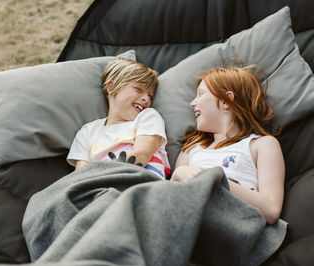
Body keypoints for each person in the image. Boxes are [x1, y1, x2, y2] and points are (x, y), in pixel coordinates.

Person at [171, 65, 285, 224]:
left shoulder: (261, 145)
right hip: (185, 218)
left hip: (229, 221)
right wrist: (179, 174)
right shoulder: (190, 150)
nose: (192, 103)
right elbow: (169, 201)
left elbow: (272, 210)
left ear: (226, 101)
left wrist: (213, 179)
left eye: (200, 95)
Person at [67, 58, 171, 179]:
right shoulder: (87, 132)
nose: (146, 99)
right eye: (138, 89)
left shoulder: (148, 117)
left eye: (150, 95)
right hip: (98, 189)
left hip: (140, 183)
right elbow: (79, 176)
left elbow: (142, 154)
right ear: (111, 87)